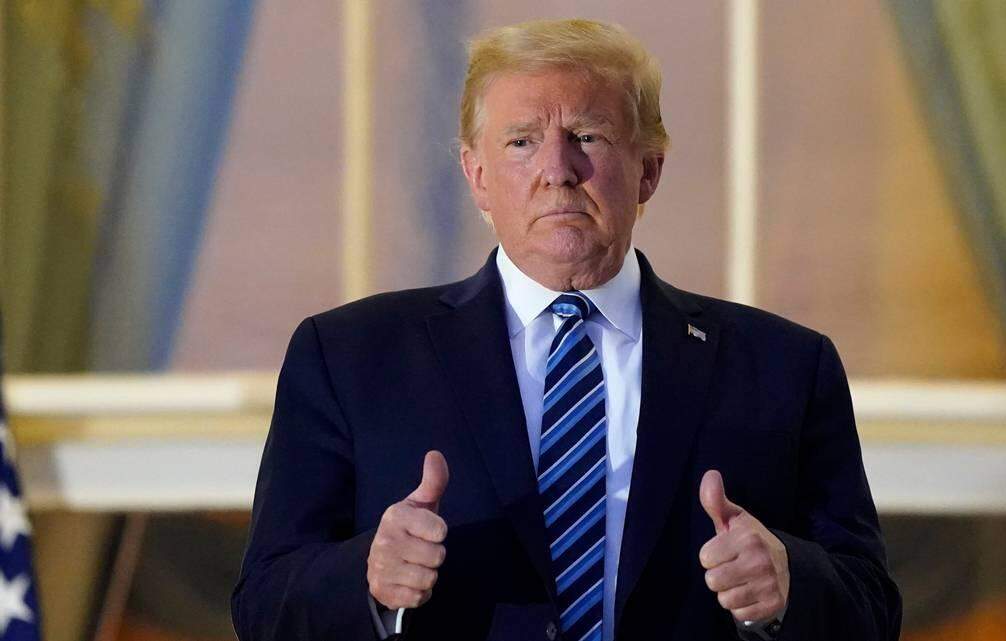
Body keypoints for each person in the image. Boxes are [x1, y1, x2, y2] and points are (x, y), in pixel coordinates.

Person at [231, 18, 901, 641]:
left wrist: (789, 582)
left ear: (649, 170)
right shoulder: (349, 358)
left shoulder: (784, 366)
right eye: (522, 141)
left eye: (587, 136)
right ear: (477, 175)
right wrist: (368, 582)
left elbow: (872, 606)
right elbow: (263, 604)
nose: (557, 170)